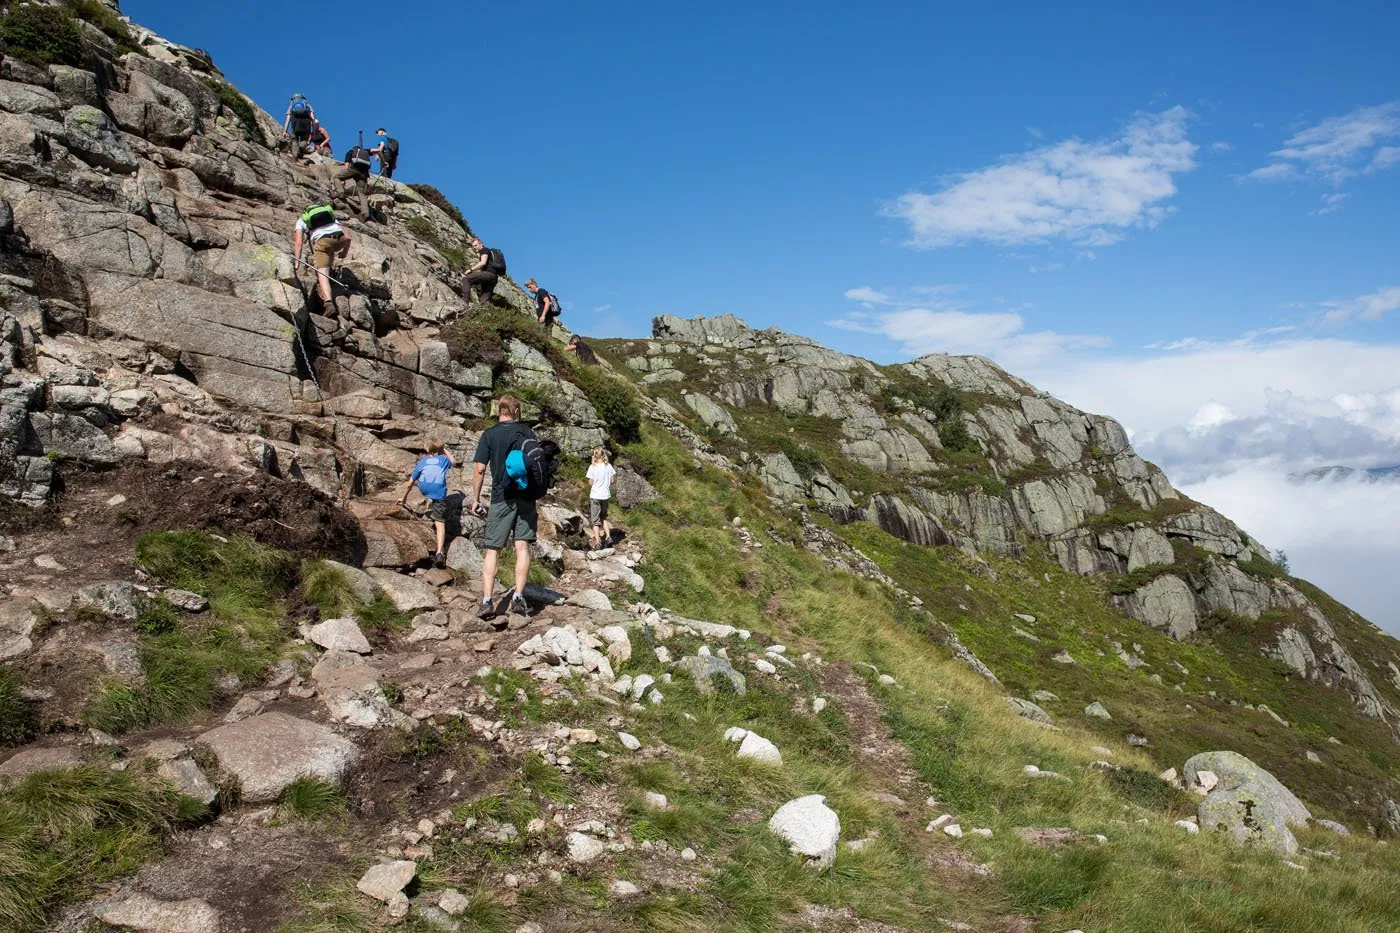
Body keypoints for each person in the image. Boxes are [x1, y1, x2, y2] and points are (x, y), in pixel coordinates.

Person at [471, 394, 537, 620]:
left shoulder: (489, 435)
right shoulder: (527, 432)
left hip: (501, 497)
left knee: (493, 549)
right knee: (522, 547)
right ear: (516, 411)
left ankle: (487, 602)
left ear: (499, 411)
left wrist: (476, 498)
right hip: (526, 496)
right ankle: (518, 596)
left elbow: (479, 469)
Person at [396, 437, 456, 568]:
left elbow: (410, 483)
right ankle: (440, 552)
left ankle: (429, 502)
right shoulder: (443, 460)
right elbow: (454, 462)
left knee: (427, 488)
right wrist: (444, 450)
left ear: (427, 449)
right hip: (439, 492)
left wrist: (404, 498)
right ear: (440, 450)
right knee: (440, 523)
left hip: (424, 488)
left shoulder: (422, 462)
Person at [292, 203, 351, 315]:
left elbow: (299, 243)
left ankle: (329, 303)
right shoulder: (329, 216)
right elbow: (348, 238)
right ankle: (330, 271)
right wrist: (344, 253)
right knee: (331, 249)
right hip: (340, 239)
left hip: (323, 242)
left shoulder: (301, 221)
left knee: (322, 274)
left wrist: (296, 262)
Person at [585, 448, 616, 552]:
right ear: (604, 455)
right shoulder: (609, 466)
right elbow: (613, 481)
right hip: (605, 495)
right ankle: (608, 537)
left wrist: (592, 463)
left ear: (594, 455)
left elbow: (590, 482)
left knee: (595, 520)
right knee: (604, 517)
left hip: (595, 495)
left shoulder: (592, 467)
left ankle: (598, 542)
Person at [461, 238, 507, 307]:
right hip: (494, 278)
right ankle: (486, 313)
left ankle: (465, 301)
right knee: (484, 301)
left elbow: (483, 263)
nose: (474, 247)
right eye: (473, 246)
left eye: (476, 245)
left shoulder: (484, 250)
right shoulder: (488, 252)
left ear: (481, 244)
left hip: (488, 275)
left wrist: (470, 270)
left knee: (466, 279)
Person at [336, 142, 374, 219]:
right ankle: (365, 213)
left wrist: (344, 179)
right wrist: (384, 162)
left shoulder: (351, 152)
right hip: (364, 173)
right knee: (361, 193)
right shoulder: (365, 152)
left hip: (354, 170)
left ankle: (340, 192)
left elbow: (347, 164)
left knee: (336, 177)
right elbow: (377, 150)